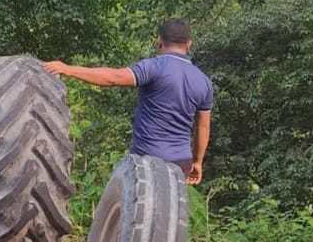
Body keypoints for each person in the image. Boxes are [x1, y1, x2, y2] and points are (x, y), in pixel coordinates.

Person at [43, 18, 214, 185]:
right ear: (189, 44)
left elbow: (114, 78)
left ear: (159, 41)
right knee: (171, 211)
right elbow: (203, 126)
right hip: (181, 162)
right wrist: (197, 162)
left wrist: (68, 69)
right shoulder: (203, 81)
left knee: (137, 210)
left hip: (147, 159)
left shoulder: (154, 67)